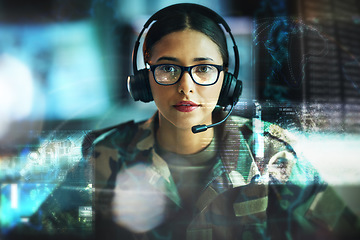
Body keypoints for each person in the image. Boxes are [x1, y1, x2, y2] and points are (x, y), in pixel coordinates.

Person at [8, 3, 359, 240]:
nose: (185, 85)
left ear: (228, 81)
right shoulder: (105, 155)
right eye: (168, 69)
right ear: (145, 78)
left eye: (204, 68)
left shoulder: (272, 155)